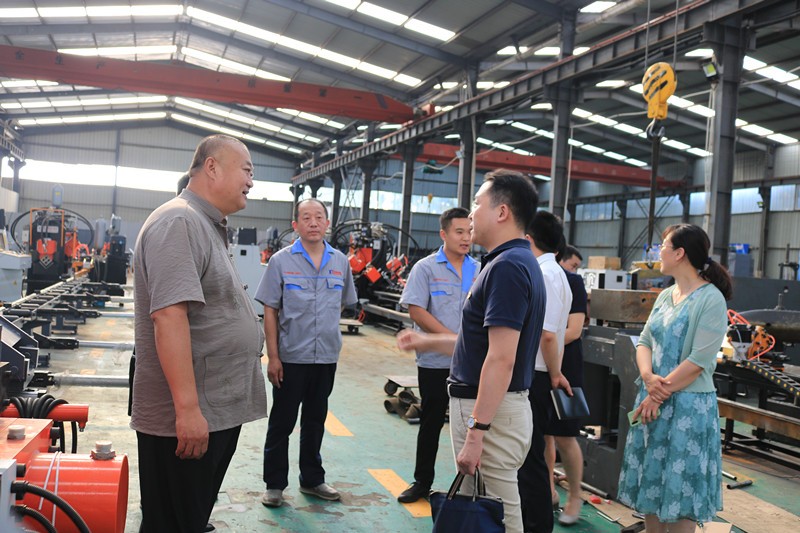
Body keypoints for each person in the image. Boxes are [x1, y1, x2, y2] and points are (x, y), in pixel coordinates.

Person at [131, 134, 267, 533]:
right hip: (188, 416)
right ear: (212, 167)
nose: (251, 182)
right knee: (172, 523)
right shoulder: (179, 221)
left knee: (189, 519)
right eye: (246, 171)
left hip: (213, 409)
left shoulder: (204, 223)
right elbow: (169, 317)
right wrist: (188, 411)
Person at [398, 169, 545, 533]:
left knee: (501, 516)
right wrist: (427, 341)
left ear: (502, 211)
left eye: (478, 203)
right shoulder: (510, 261)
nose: (471, 213)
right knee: (483, 511)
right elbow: (482, 344)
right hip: (494, 410)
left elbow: (501, 358)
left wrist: (477, 431)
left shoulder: (507, 267)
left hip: (491, 414)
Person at [617, 224, 731, 533]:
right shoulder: (667, 295)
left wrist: (656, 394)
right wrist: (647, 377)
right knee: (652, 482)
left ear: (680, 253)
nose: (658, 253)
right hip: (654, 403)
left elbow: (698, 361)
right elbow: (644, 341)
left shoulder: (711, 299)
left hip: (687, 410)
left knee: (682, 490)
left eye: (663, 247)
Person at [255, 198, 358, 508]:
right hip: (291, 358)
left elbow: (343, 303)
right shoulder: (281, 261)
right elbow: (270, 311)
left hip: (325, 357)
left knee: (315, 420)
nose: (313, 223)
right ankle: (274, 484)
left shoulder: (340, 262)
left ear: (327, 223)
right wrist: (273, 357)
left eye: (319, 217)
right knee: (282, 422)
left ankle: (312, 479)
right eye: (306, 217)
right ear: (295, 225)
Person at [396, 207, 480, 503]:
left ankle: (472, 488)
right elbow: (416, 310)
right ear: (444, 234)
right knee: (431, 421)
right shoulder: (426, 268)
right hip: (435, 362)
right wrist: (453, 340)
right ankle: (422, 482)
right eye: (459, 232)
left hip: (471, 363)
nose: (466, 238)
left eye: (469, 231)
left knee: (473, 424)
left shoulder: (480, 269)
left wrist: (463, 344)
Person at [518, 211, 572, 533]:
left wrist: (554, 373)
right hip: (539, 373)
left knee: (531, 460)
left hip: (538, 374)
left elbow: (548, 334)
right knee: (530, 456)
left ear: (528, 239)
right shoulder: (555, 272)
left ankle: (537, 525)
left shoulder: (545, 275)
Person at [549, 244, 589, 526]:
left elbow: (574, 331)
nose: (574, 270)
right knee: (542, 435)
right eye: (573, 264)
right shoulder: (537, 276)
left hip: (567, 366)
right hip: (541, 365)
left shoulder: (573, 283)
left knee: (565, 435)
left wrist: (541, 342)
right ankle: (548, 491)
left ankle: (575, 496)